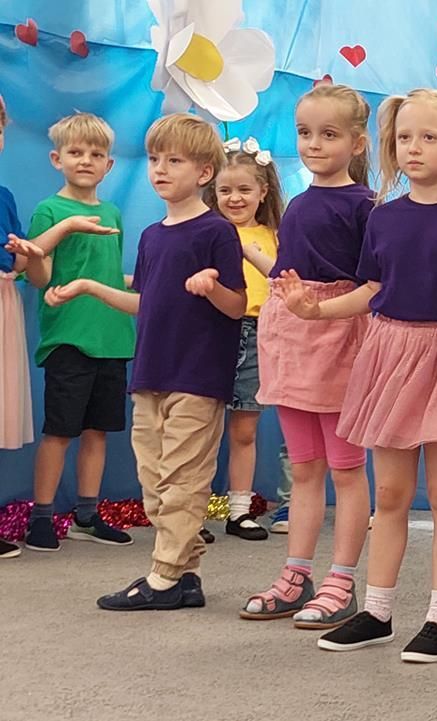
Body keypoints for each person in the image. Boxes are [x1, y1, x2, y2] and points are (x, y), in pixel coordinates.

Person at [307, 89, 437, 663]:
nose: (414, 148)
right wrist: (317, 311)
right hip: (390, 354)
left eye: (428, 137)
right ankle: (376, 612)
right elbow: (372, 290)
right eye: (405, 137)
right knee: (391, 493)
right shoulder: (382, 217)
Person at [45, 113, 246, 610]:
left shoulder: (217, 231)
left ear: (204, 172)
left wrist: (211, 286)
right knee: (154, 482)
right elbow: (146, 303)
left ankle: (163, 577)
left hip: (197, 377)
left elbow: (237, 306)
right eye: (155, 159)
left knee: (184, 480)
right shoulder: (153, 235)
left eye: (174, 160)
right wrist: (89, 287)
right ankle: (186, 573)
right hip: (151, 374)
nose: (159, 169)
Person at [241, 83, 374, 629]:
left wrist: (321, 310)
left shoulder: (365, 206)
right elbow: (286, 275)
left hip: (338, 340)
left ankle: (342, 581)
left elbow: (374, 284)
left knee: (346, 469)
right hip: (291, 340)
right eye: (304, 133)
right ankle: (296, 575)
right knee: (303, 468)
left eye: (329, 134)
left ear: (357, 142)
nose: (314, 144)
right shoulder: (296, 204)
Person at [21, 112, 136, 552]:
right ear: (57, 159)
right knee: (59, 431)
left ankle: (87, 515)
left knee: (98, 430)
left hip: (112, 337)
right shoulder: (49, 211)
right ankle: (42, 517)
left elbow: (109, 273)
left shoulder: (112, 213)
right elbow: (38, 273)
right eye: (76, 152)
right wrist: (63, 231)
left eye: (96, 153)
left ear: (109, 164)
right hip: (68, 338)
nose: (86, 160)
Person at [203, 137, 286, 541]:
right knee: (202, 428)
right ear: (213, 192)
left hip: (259, 334)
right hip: (213, 331)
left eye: (244, 189)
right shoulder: (207, 233)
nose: (234, 198)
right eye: (225, 190)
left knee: (245, 429)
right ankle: (191, 513)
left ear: (262, 191)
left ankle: (238, 512)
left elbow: (284, 281)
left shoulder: (274, 235)